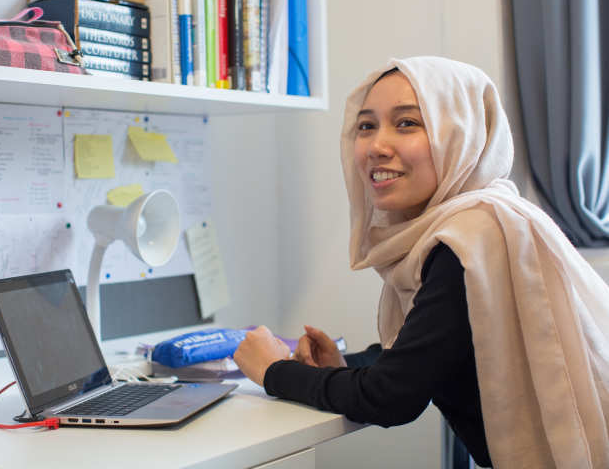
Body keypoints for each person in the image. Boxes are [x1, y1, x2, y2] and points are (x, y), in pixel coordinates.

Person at [233, 56, 609, 468]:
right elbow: (424, 353)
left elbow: (390, 397)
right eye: (366, 126)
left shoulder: (471, 238)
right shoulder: (481, 221)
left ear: (460, 134)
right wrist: (344, 366)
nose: (377, 146)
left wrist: (272, 371)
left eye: (407, 123)